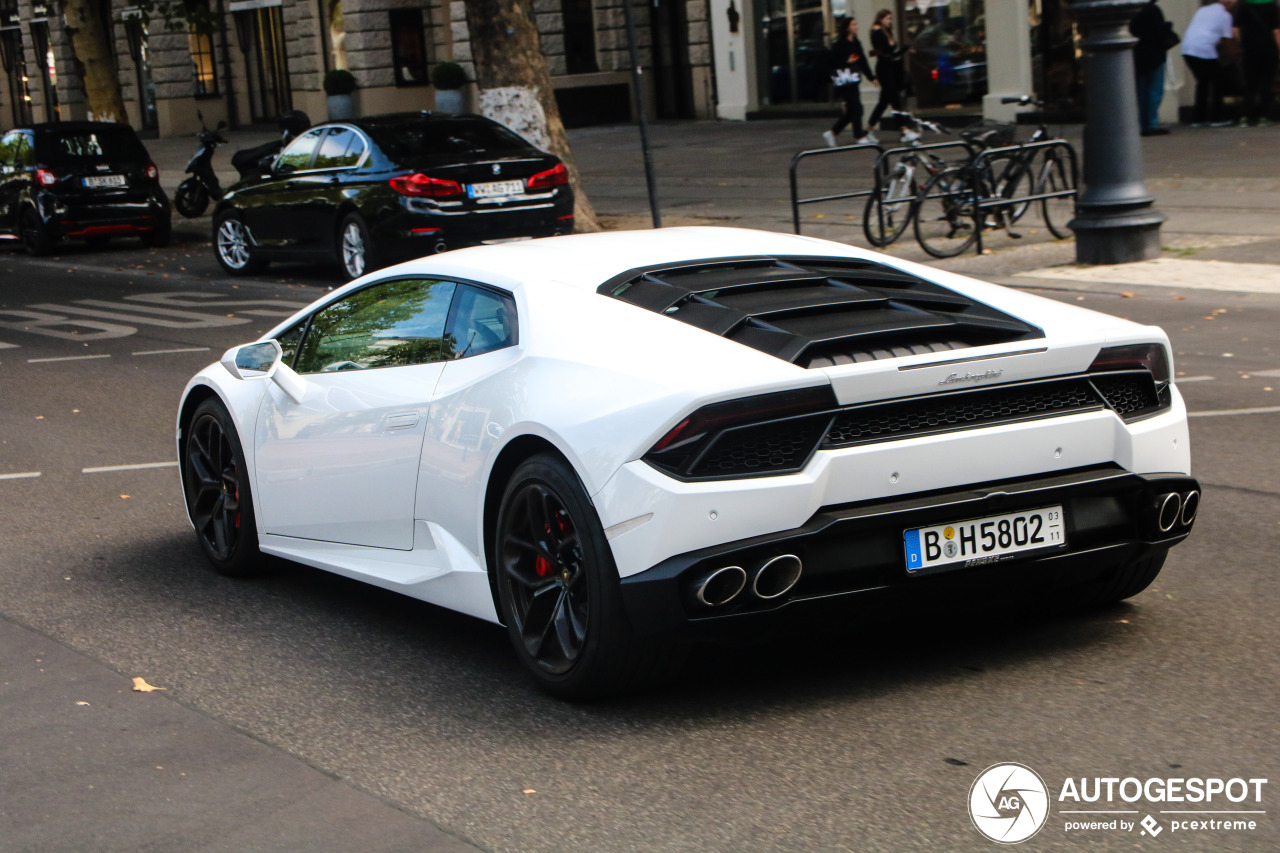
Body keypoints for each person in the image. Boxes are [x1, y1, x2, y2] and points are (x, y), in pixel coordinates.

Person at [1181, 0, 1240, 127]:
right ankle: (1217, 117)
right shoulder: (1225, 15)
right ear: (1229, 4)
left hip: (1187, 49)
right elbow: (1227, 41)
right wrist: (1234, 59)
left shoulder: (1203, 10)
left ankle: (1199, 118)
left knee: (1203, 83)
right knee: (1218, 82)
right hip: (1204, 50)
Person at [823, 16, 879, 148]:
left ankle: (833, 132)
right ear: (847, 27)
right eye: (854, 25)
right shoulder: (839, 44)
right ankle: (859, 135)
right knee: (856, 107)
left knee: (851, 110)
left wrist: (871, 77)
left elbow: (862, 61)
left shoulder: (856, 43)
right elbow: (832, 62)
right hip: (844, 80)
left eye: (856, 24)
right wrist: (846, 62)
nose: (856, 27)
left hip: (853, 79)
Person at [1130, 1, 1177, 136]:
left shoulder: (1134, 10)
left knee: (1141, 91)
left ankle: (1142, 124)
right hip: (1154, 55)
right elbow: (1159, 31)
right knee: (1154, 90)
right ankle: (1152, 123)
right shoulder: (1153, 10)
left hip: (1138, 55)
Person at [865, 9, 910, 143]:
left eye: (890, 19)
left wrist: (904, 49)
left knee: (884, 102)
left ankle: (868, 130)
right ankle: (904, 129)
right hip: (884, 68)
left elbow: (892, 53)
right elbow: (881, 51)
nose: (890, 21)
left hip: (891, 67)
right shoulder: (878, 32)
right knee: (895, 98)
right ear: (881, 19)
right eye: (887, 19)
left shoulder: (886, 32)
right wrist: (877, 30)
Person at [1235, 0, 1280, 126]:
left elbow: (1235, 29)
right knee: (1266, 82)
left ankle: (1246, 116)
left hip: (1249, 49)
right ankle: (1263, 116)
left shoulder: (1243, 5)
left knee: (1250, 83)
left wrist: (1240, 45)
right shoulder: (1272, 5)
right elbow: (1276, 31)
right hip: (1268, 48)